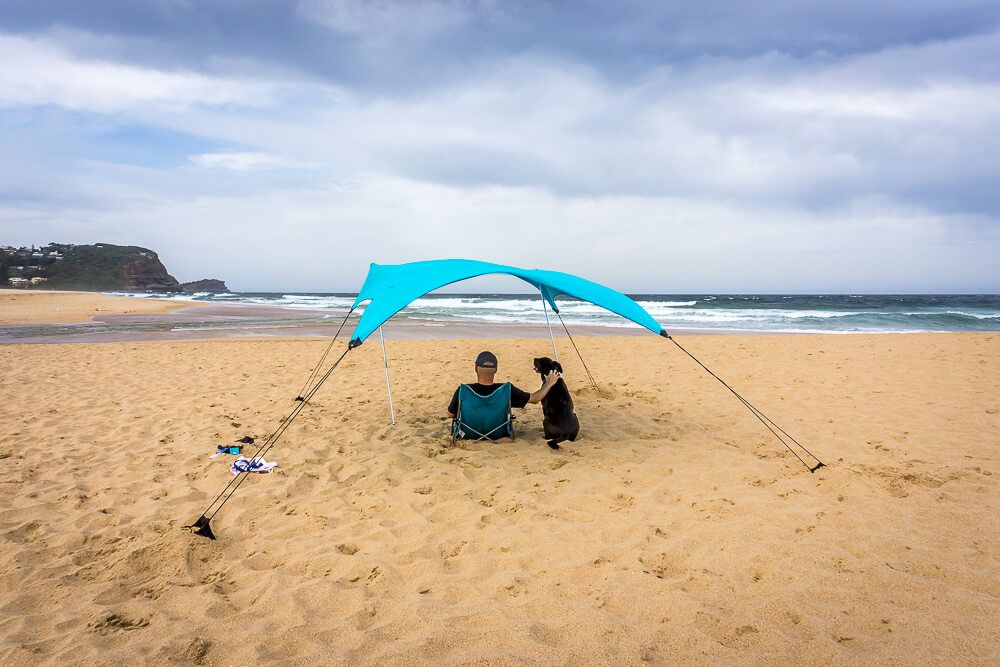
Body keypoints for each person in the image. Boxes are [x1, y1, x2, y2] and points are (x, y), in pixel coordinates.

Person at [446, 350, 561, 418]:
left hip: (469, 432)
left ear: (476, 368)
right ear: (496, 369)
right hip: (498, 432)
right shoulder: (506, 390)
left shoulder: (464, 390)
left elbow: (450, 415)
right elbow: (535, 399)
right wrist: (549, 383)